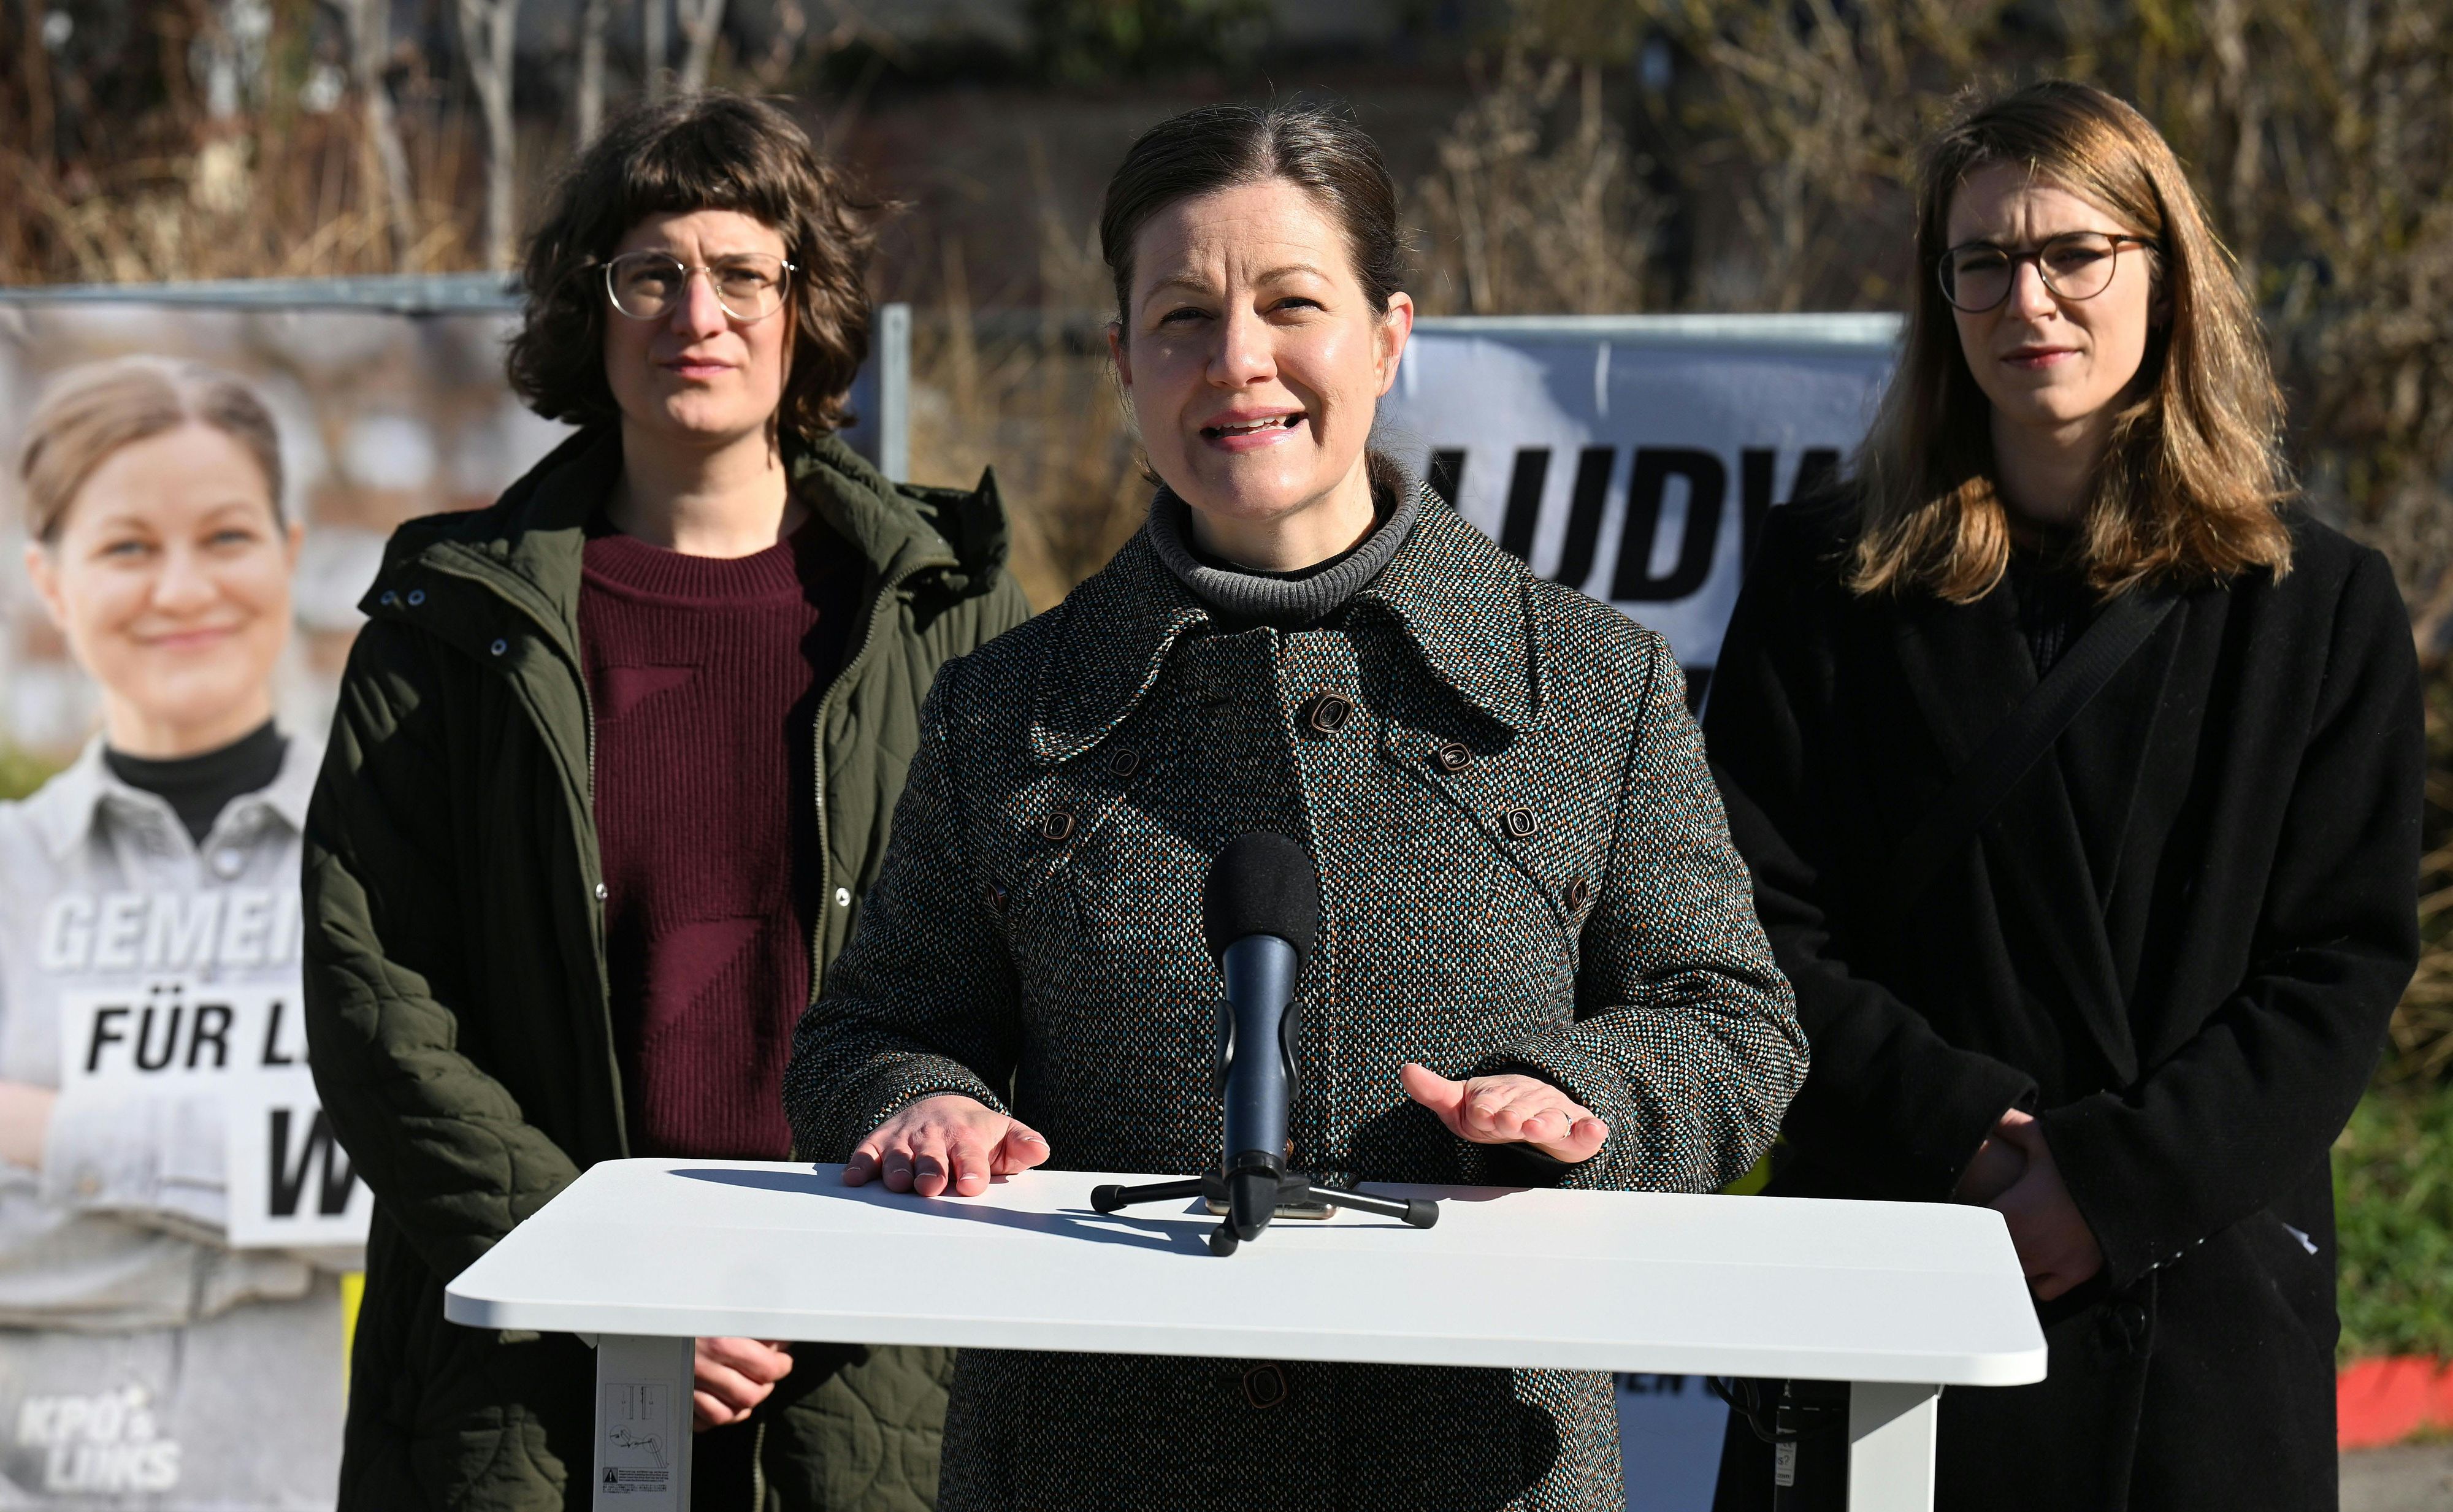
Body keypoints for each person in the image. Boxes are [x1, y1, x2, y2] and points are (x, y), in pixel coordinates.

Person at [781, 101, 1807, 1511]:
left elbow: (1729, 1018)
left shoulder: (1589, 685)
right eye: (1183, 318)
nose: (1237, 361)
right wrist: (925, 1102)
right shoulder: (1001, 707)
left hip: (1475, 1467)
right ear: (1121, 362)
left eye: (1290, 305)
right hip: (1090, 1466)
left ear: (1389, 336)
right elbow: (872, 1029)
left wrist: (1587, 1097)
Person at [300, 93, 1031, 1512]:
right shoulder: (452, 619)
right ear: (595, 305)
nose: (696, 310)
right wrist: (601, 1276)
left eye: (742, 270)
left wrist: (893, 1212)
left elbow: (1021, 965)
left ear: (802, 303)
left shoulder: (949, 610)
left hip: (863, 1357)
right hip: (522, 1366)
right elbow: (373, 997)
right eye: (650, 271)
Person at [1705, 81, 2423, 1510]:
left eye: (2071, 253)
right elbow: (1750, 918)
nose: (2025, 297)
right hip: (1893, 1267)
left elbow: (2336, 968)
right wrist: (1967, 1134)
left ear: (2163, 273)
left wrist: (2106, 1183)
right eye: (1980, 261)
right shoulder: (1824, 578)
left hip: (2195, 1311)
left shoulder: (2318, 608)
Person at [0, 356, 343, 1508]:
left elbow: (398, 1196)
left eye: (227, 537)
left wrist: (42, 1135)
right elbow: (331, 1190)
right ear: (50, 581)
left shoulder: (391, 871)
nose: (183, 587)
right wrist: (254, 1228)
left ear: (291, 553)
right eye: (129, 546)